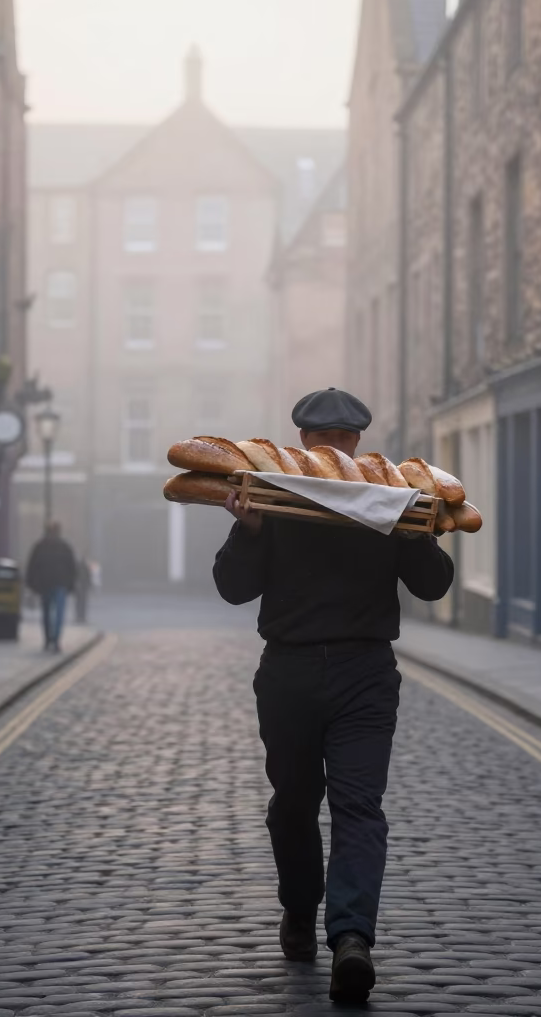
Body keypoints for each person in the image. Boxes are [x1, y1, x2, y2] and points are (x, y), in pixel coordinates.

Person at [212, 388, 454, 1004]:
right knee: (304, 805)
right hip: (304, 673)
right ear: (306, 444)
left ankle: (350, 938)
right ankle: (308, 912)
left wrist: (418, 528)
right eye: (326, 442)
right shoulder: (270, 493)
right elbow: (233, 587)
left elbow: (431, 583)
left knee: (347, 805)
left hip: (356, 674)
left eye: (339, 442)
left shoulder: (389, 498)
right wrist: (246, 531)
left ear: (352, 444)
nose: (333, 450)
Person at [25, 521, 77, 652]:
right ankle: (56, 640)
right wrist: (71, 585)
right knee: (58, 614)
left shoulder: (39, 546)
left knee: (47, 613)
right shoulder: (65, 547)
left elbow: (32, 567)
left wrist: (31, 584)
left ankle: (48, 639)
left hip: (45, 584)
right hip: (60, 584)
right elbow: (72, 568)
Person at [75, 555, 92, 624]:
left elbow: (88, 577)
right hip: (82, 587)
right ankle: (81, 617)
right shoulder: (84, 567)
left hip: (80, 587)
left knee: (80, 603)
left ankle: (80, 617)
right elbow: (88, 577)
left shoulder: (78, 567)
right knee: (82, 603)